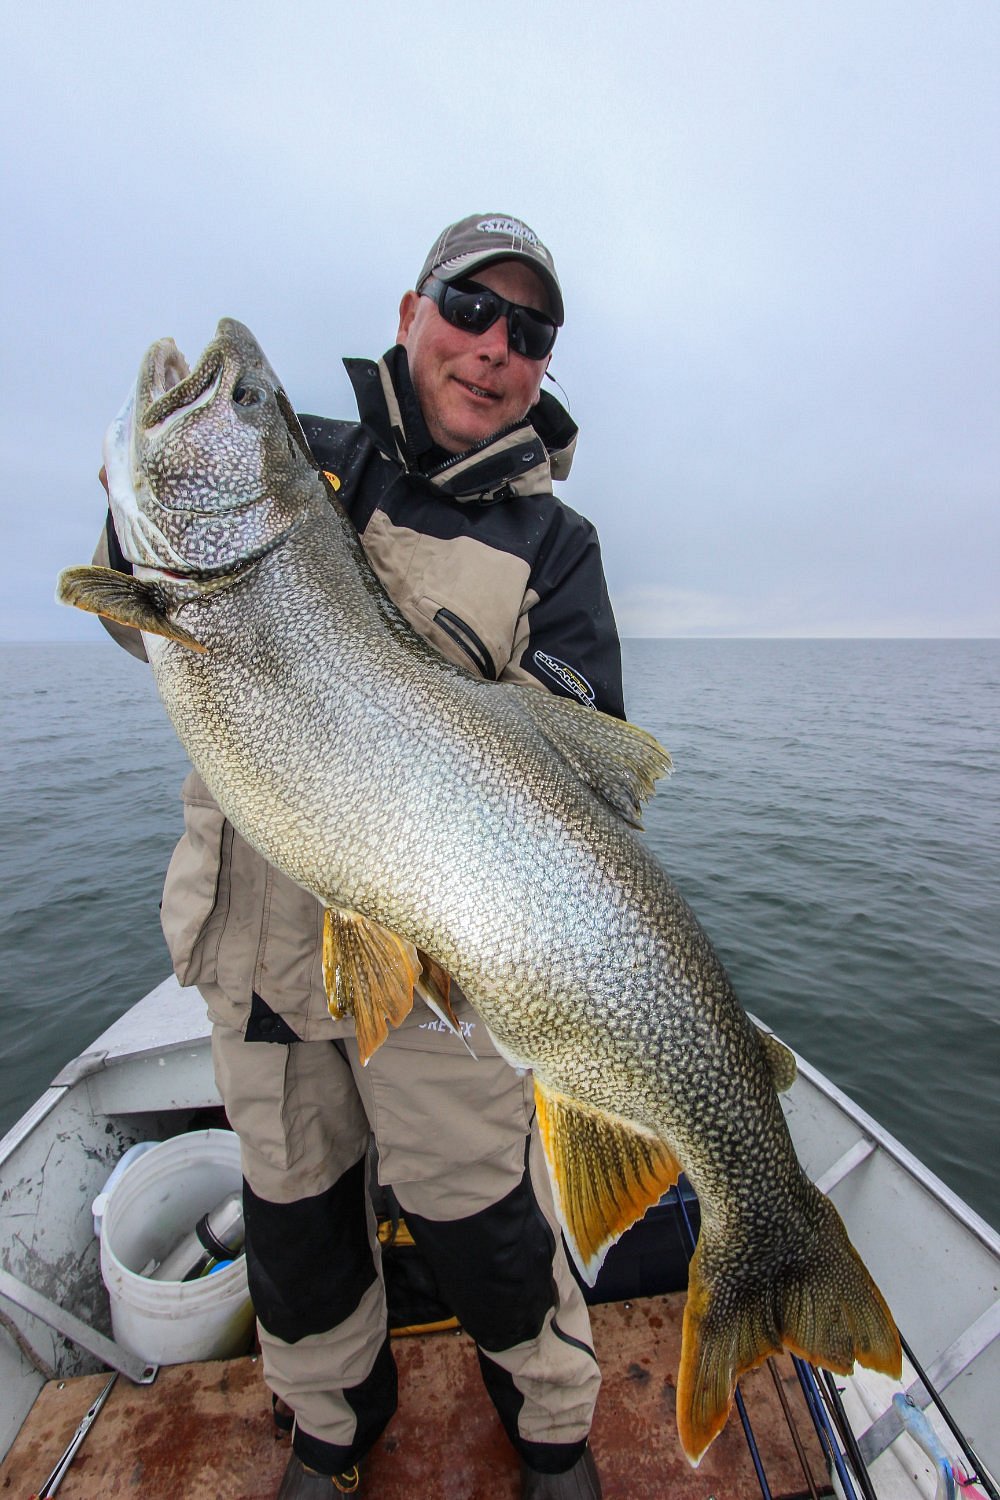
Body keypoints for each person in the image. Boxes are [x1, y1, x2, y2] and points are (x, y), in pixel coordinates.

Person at [96, 213, 623, 1499]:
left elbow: (587, 773)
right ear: (409, 311)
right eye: (470, 307)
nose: (494, 348)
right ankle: (332, 1427)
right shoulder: (312, 464)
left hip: (437, 955)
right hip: (263, 949)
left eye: (530, 331)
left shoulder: (557, 550)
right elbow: (145, 608)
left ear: (545, 365)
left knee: (483, 1216)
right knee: (297, 1219)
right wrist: (137, 535)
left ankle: (551, 1426)